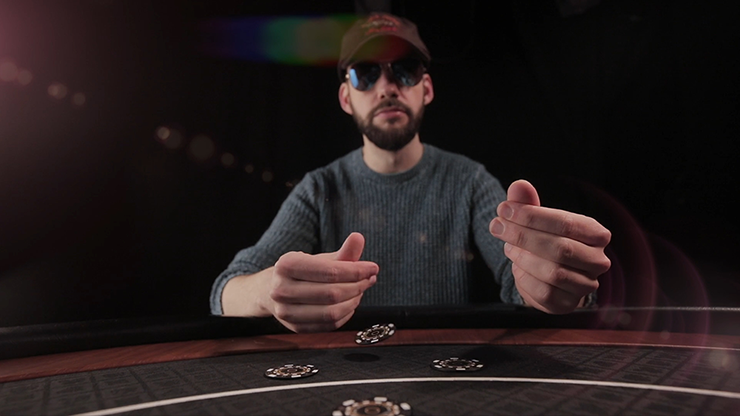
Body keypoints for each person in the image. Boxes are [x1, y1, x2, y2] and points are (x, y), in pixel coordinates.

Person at [210, 12, 611, 333]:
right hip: (346, 373)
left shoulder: (468, 181)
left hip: (445, 373)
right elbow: (226, 291)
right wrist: (267, 292)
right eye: (366, 73)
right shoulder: (319, 188)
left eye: (404, 69)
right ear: (346, 98)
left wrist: (555, 284)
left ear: (427, 89)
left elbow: (519, 279)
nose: (387, 87)